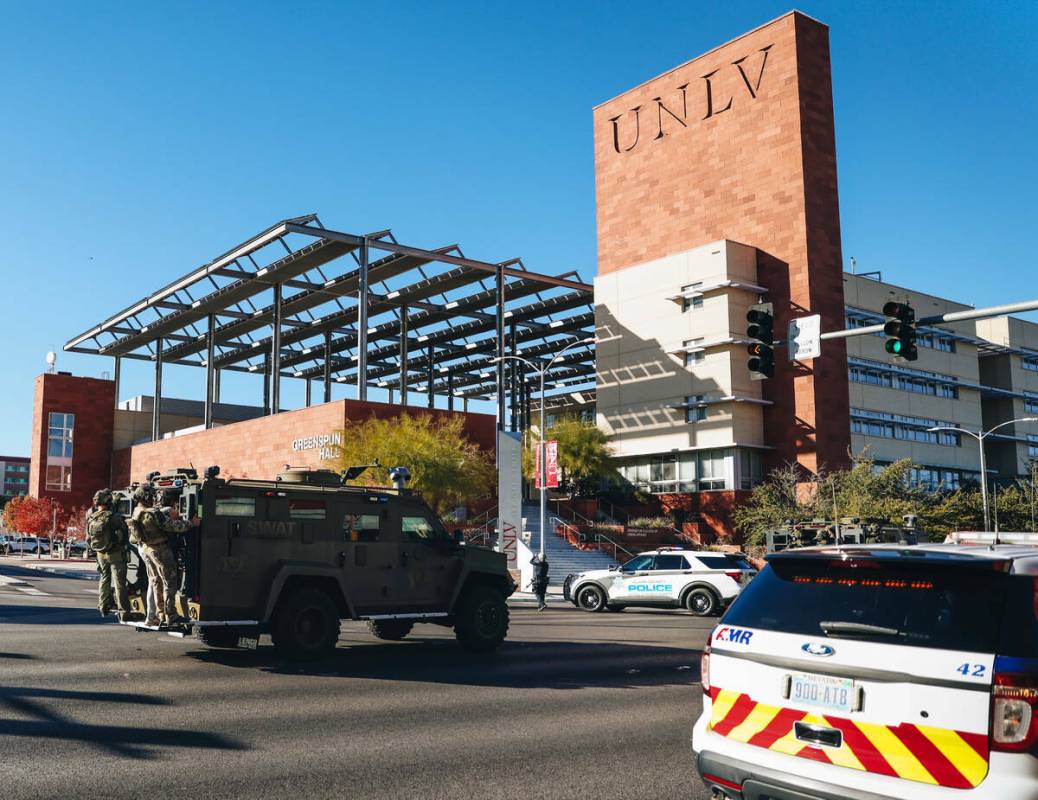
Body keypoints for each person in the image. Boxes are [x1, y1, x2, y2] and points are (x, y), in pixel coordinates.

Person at [127, 485, 195, 627]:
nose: (153, 498)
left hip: (147, 550)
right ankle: (171, 615)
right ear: (146, 497)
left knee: (156, 582)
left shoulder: (137, 511)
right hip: (160, 550)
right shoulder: (152, 513)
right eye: (151, 496)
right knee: (169, 582)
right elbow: (172, 526)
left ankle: (160, 614)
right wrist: (191, 523)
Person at [86, 489, 131, 621]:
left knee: (104, 578)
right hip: (114, 553)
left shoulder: (92, 516)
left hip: (100, 553)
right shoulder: (114, 516)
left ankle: (103, 605)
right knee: (119, 583)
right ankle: (124, 611)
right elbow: (124, 531)